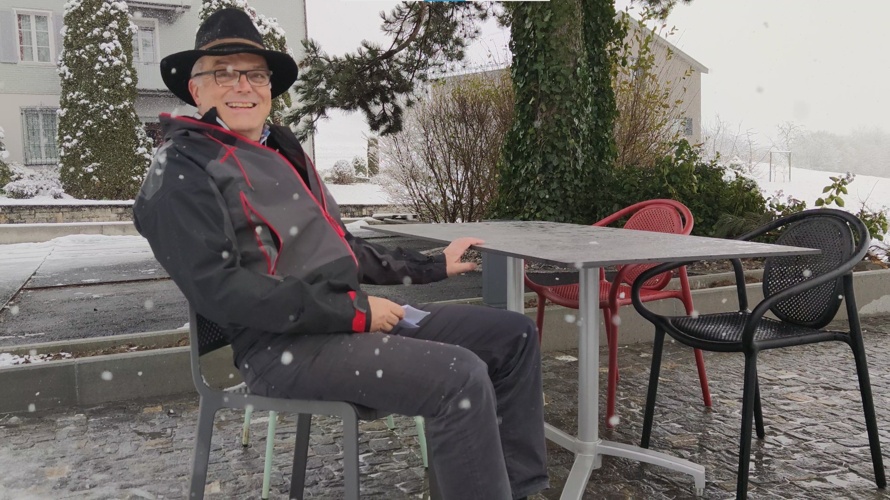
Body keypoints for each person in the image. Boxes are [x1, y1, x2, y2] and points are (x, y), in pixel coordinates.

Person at [133, 9, 548, 499]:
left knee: (513, 336)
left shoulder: (283, 151)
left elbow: (343, 247)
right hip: (278, 349)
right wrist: (353, 312)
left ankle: (517, 491)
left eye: (256, 74)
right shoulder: (181, 169)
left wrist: (433, 264)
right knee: (459, 378)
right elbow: (222, 289)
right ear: (196, 90)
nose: (243, 85)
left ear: (270, 88)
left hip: (342, 322)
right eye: (223, 73)